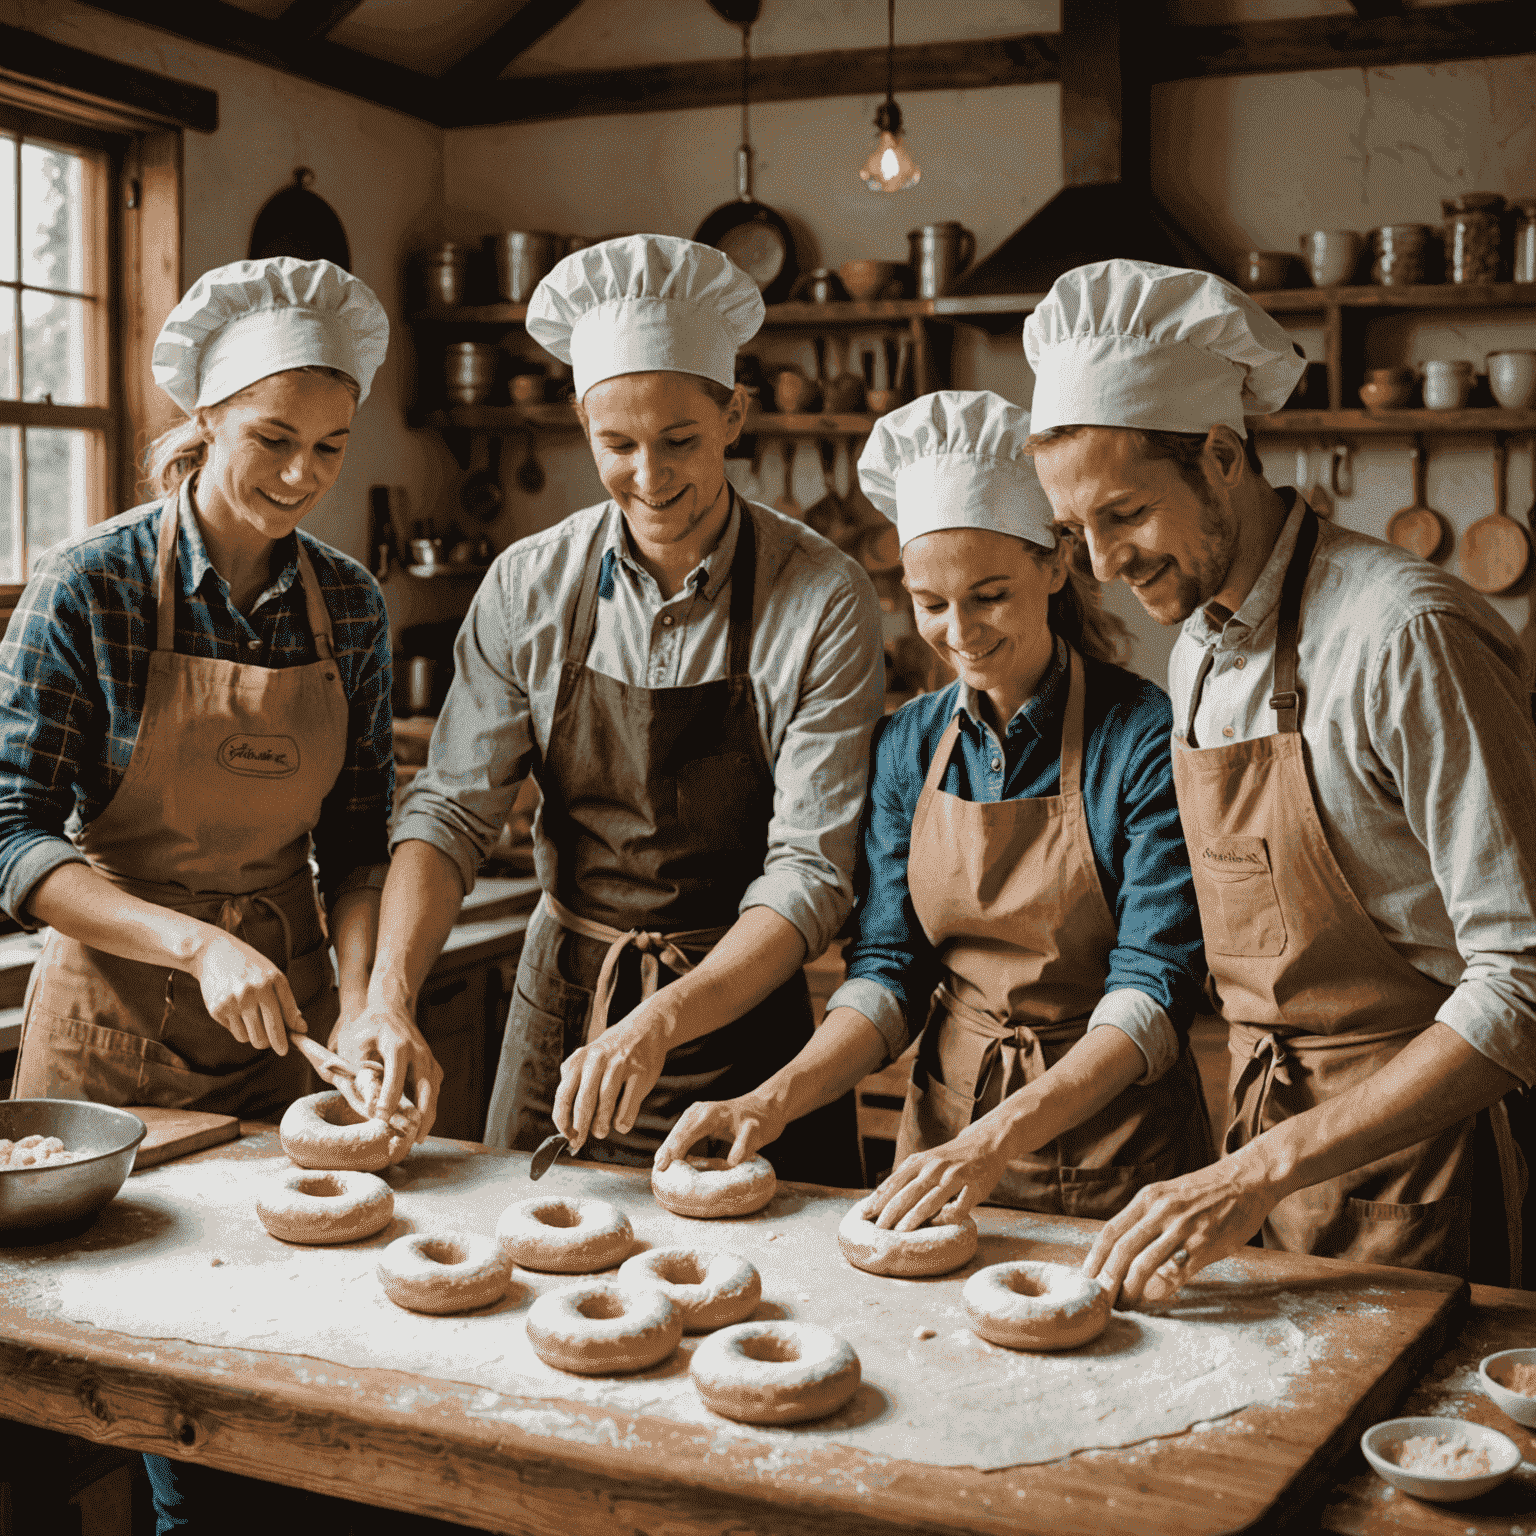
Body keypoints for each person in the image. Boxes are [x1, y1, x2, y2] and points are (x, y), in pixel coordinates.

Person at [1022, 258, 1536, 1304]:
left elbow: (1522, 985)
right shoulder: (1197, 650)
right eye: (1076, 535)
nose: (1107, 565)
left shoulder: (1404, 635)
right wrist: (1247, 1168)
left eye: (1125, 514)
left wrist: (1256, 1172)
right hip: (1264, 1151)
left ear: (1220, 457)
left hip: (1430, 1172)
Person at [0, 255, 421, 1531]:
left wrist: (361, 1004)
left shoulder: (344, 604)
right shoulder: (95, 586)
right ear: (204, 422)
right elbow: (8, 833)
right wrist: (192, 946)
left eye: (330, 447)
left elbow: (360, 841)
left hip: (274, 1040)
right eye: (272, 438)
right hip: (111, 1055)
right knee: (131, 1405)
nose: (301, 476)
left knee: (275, 1392)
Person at [359, 234, 883, 1184]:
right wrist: (388, 993)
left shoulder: (822, 594)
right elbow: (448, 811)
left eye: (681, 439)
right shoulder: (531, 584)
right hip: (566, 1015)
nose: (651, 477)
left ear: (735, 414)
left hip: (746, 1025)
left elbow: (811, 873)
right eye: (618, 444)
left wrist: (661, 1020)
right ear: (579, 422)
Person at [658, 390, 1214, 1229]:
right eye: (930, 603)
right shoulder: (905, 747)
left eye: (989, 595)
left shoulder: (1140, 736)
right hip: (940, 1150)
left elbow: (1153, 987)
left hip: (1116, 1159)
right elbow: (888, 974)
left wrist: (993, 1143)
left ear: (1055, 566)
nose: (960, 633)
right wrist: (768, 1103)